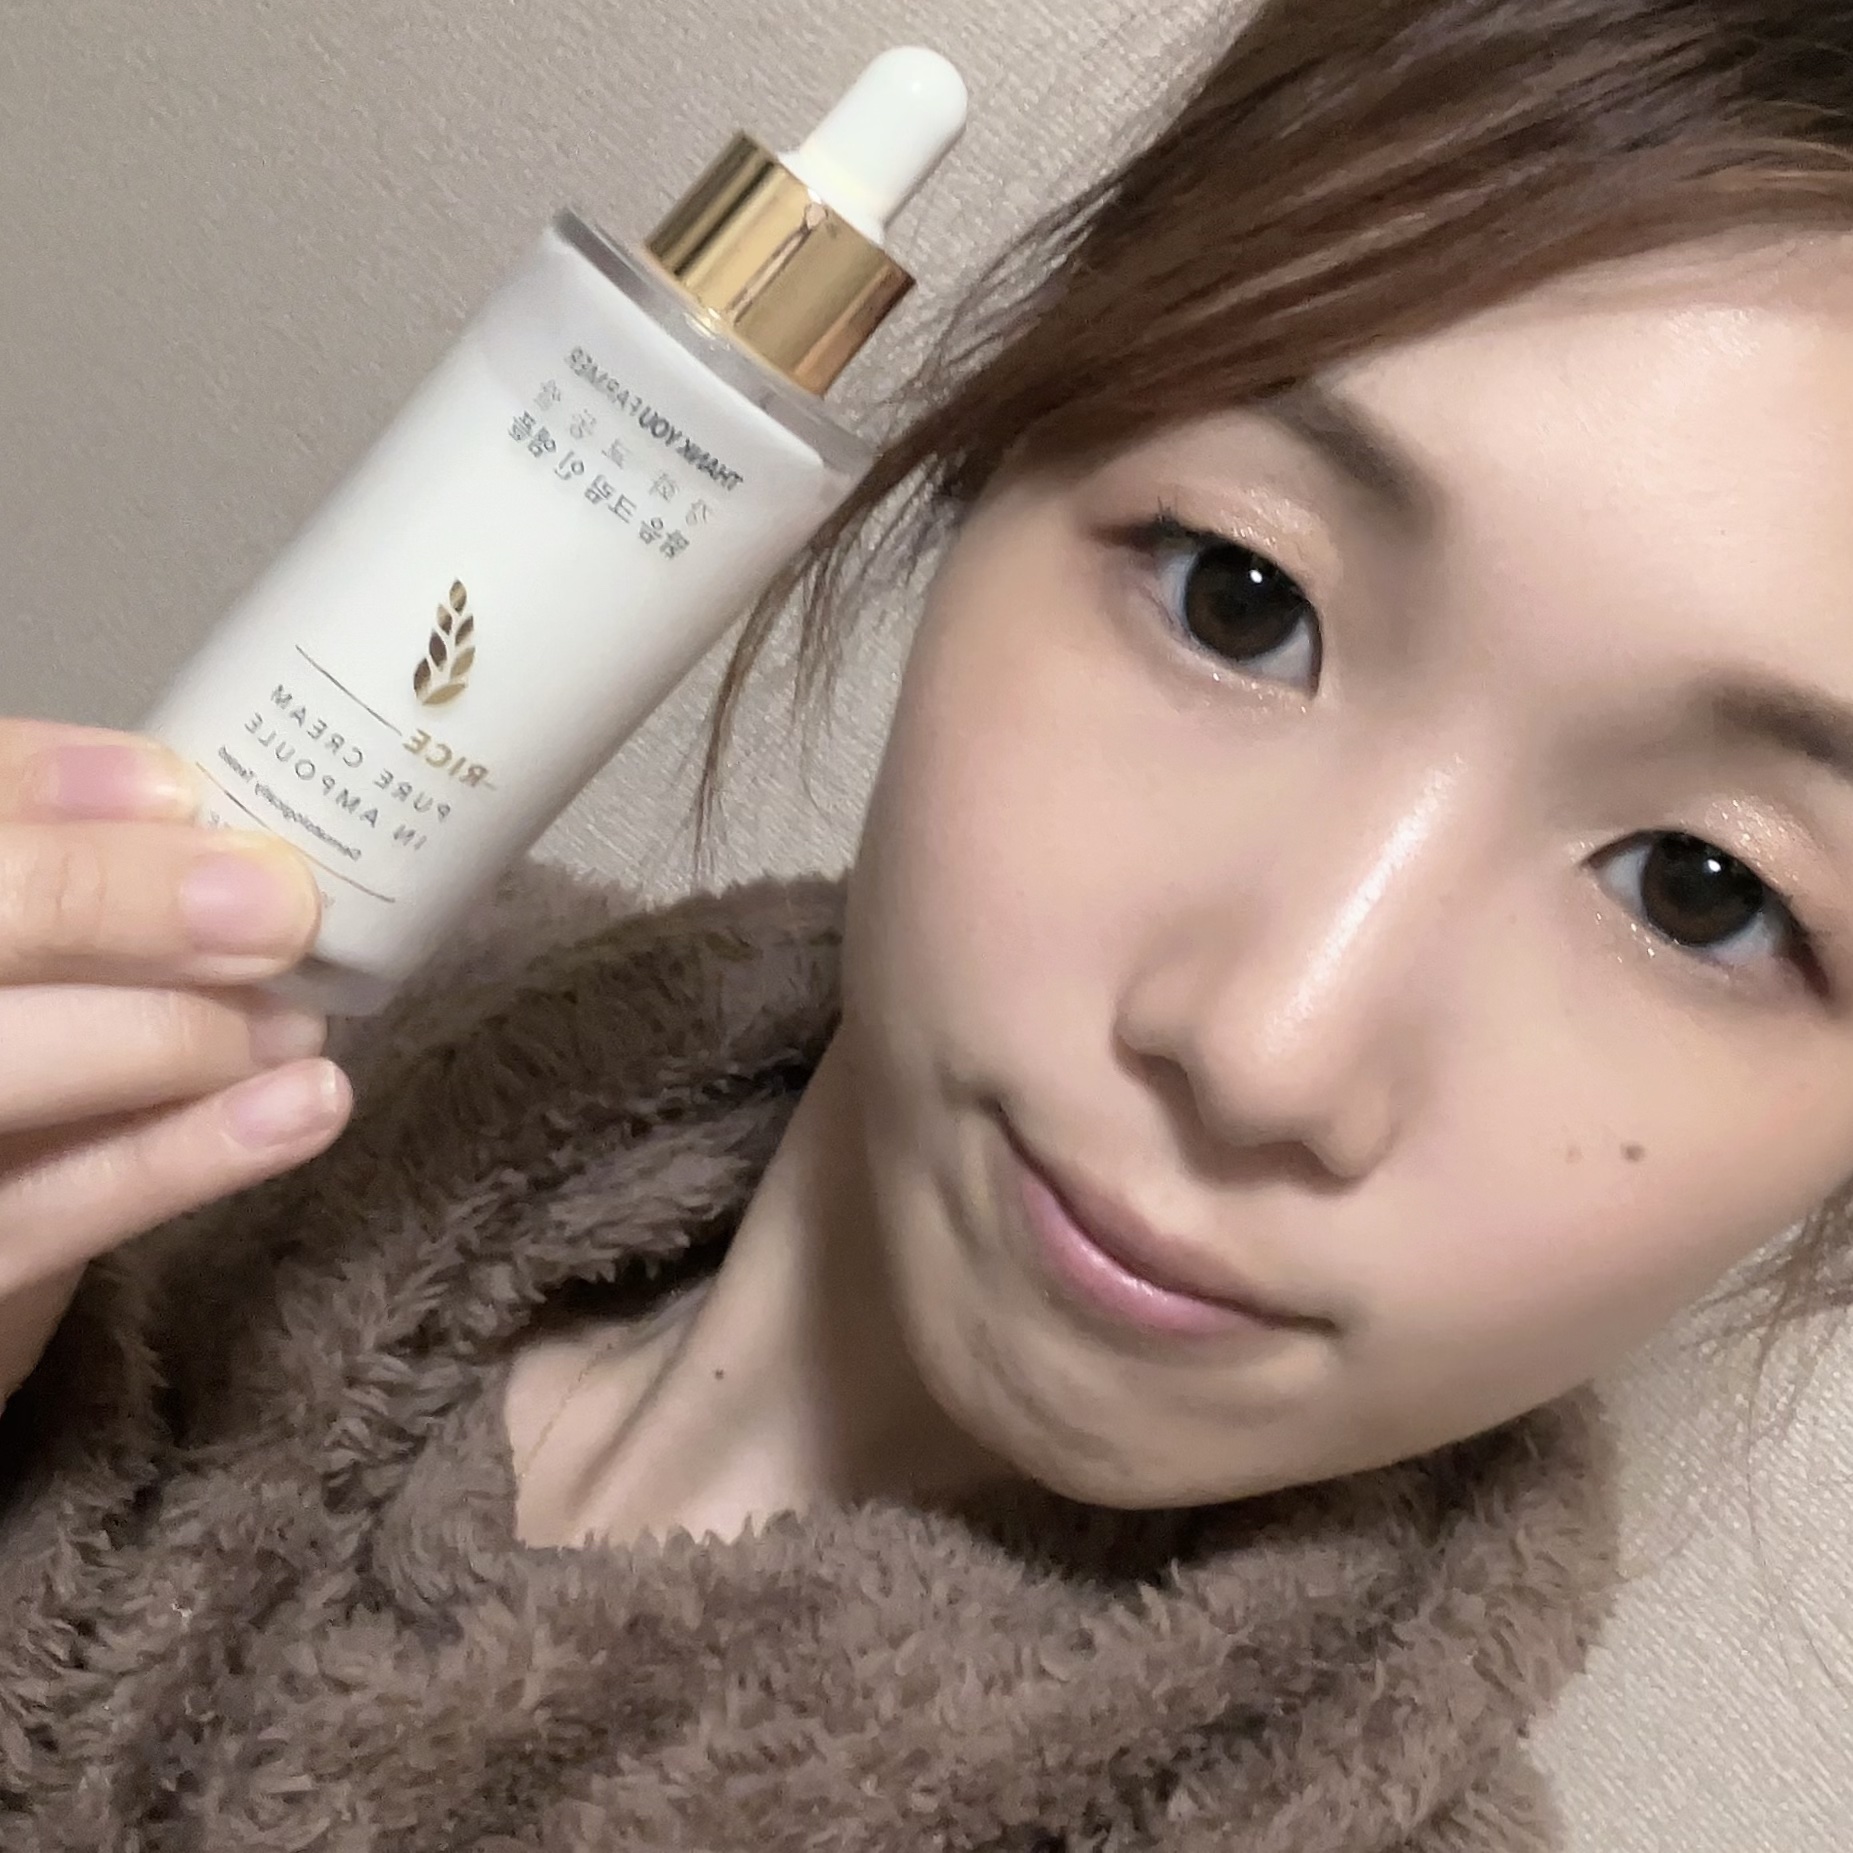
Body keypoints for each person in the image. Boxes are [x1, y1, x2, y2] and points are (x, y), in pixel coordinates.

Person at [3, 0, 1851, 1842]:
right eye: (1239, 598)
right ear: (986, 464)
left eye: (1705, 892)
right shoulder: (218, 1124)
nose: (1264, 1044)